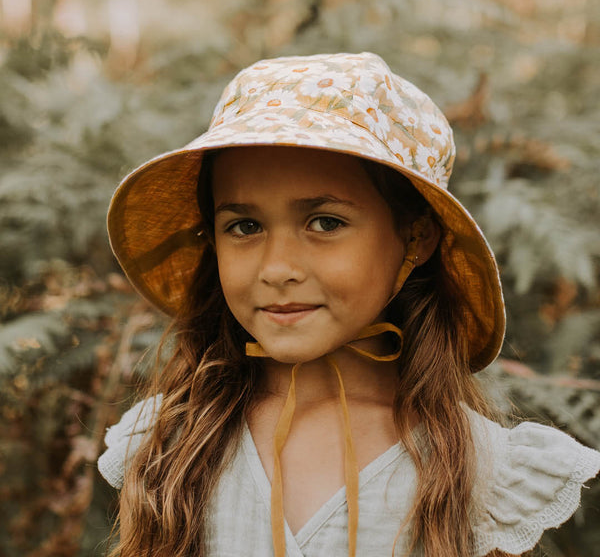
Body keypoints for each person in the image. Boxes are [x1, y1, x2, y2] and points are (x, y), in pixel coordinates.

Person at [98, 52, 600, 557]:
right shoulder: (172, 444)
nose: (277, 268)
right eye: (244, 227)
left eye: (325, 223)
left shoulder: (476, 468)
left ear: (415, 238)